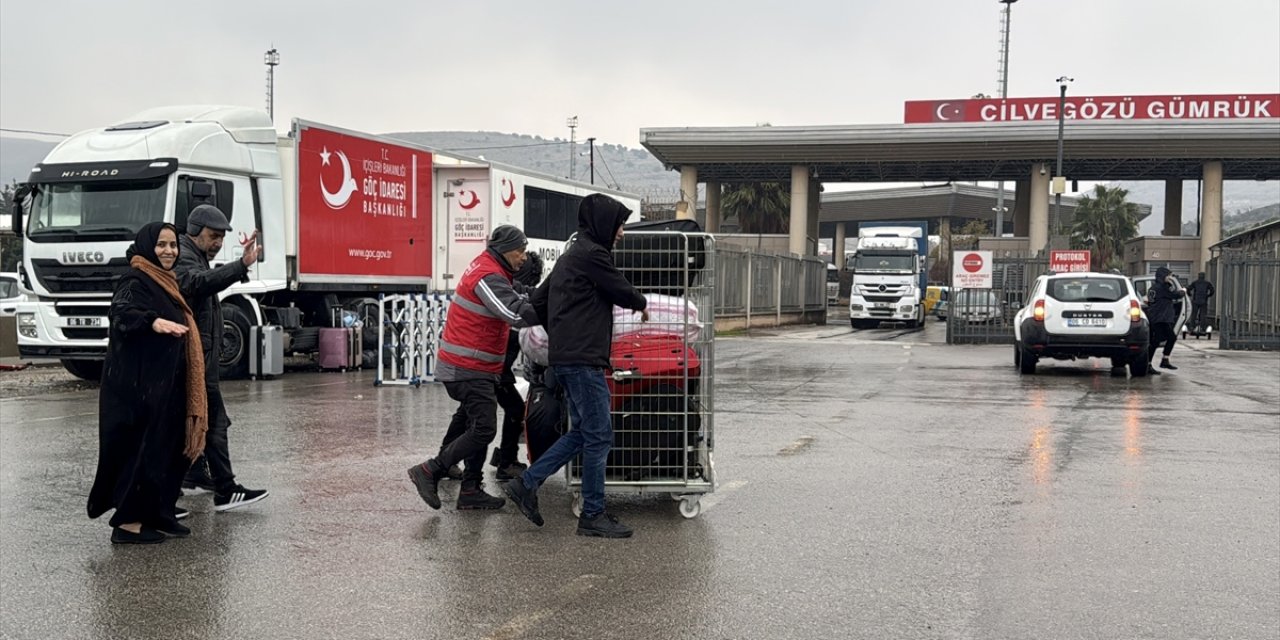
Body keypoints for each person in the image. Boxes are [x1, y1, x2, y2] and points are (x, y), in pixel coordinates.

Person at [503, 194, 648, 539]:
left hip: (568, 358)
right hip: (583, 360)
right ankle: (593, 514)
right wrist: (640, 302)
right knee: (600, 435)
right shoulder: (592, 255)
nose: (622, 233)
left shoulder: (571, 256)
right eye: (619, 225)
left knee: (583, 432)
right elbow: (617, 286)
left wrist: (556, 331)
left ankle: (527, 484)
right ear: (603, 224)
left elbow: (537, 302)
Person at [88, 222, 207, 544]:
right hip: (138, 389)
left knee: (168, 453)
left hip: (165, 387)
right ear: (146, 246)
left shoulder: (167, 281)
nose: (169, 251)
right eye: (161, 245)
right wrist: (151, 321)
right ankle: (127, 524)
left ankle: (159, 513)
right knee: (140, 454)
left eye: (173, 245)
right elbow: (121, 312)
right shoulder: (135, 279)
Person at [407, 225, 539, 510]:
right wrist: (553, 314)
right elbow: (513, 312)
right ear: (505, 250)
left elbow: (521, 294)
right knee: (483, 429)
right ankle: (430, 470)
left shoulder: (495, 270)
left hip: (477, 367)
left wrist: (549, 295)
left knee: (473, 422)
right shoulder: (487, 275)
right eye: (521, 251)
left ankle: (469, 490)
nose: (524, 258)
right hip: (467, 367)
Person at [176, 204, 269, 512]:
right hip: (194, 361)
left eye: (219, 237)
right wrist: (240, 265)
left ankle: (192, 475)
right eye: (213, 236)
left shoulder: (196, 255)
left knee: (201, 421)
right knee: (214, 423)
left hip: (200, 360)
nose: (217, 242)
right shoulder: (184, 256)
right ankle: (225, 490)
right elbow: (197, 283)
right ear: (194, 232)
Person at [437, 249, 543, 482]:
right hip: (488, 370)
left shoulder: (507, 286)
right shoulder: (506, 295)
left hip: (487, 368)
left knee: (467, 414)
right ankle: (502, 463)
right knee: (498, 416)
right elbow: (517, 324)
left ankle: (448, 462)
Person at [1146, 266, 1185, 375]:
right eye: (1168, 275)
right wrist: (1183, 291)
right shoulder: (1162, 288)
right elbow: (1175, 295)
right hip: (1161, 318)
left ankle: (1152, 363)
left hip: (1155, 317)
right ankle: (1163, 360)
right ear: (1163, 276)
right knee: (1169, 338)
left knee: (1156, 341)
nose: (1170, 278)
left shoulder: (1153, 288)